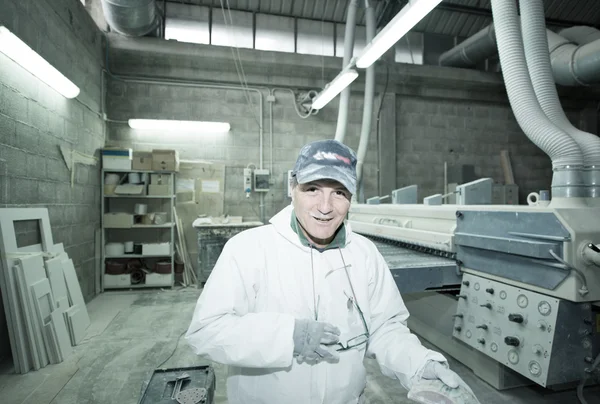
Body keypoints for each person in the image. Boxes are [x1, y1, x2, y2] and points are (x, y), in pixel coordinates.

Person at [185, 139, 471, 403]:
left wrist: (420, 364)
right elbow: (207, 331)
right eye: (312, 190)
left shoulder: (364, 254)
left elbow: (385, 328)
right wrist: (287, 336)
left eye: (338, 193)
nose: (325, 207)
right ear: (292, 188)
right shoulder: (248, 249)